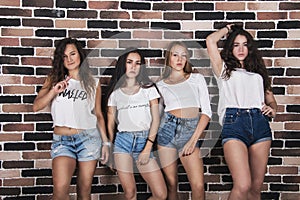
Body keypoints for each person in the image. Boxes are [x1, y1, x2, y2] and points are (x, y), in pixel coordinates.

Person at [206, 24, 277, 200]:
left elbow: (271, 99)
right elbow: (210, 41)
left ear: (250, 48)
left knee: (255, 188)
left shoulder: (258, 73)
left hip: (260, 123)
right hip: (234, 122)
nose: (241, 49)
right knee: (243, 185)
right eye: (236, 44)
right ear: (230, 48)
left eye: (245, 44)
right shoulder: (224, 70)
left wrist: (273, 109)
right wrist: (228, 29)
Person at [33, 38, 110, 200]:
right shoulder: (53, 79)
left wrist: (106, 143)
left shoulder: (92, 83)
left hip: (88, 139)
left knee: (84, 191)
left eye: (73, 54)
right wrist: (54, 91)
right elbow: (36, 106)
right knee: (60, 192)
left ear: (80, 55)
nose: (69, 59)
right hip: (62, 141)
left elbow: (98, 115)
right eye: (64, 56)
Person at [106, 48, 167, 200]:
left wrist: (147, 148)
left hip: (144, 141)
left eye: (138, 63)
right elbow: (110, 124)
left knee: (161, 195)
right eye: (129, 62)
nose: (133, 66)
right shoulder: (115, 93)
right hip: (122, 143)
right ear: (123, 65)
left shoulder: (148, 89)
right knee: (130, 193)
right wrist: (111, 149)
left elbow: (156, 120)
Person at [156, 41, 212, 200]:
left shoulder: (197, 78)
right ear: (169, 58)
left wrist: (193, 140)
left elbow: (206, 112)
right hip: (166, 130)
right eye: (175, 55)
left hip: (189, 132)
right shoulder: (160, 84)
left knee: (198, 186)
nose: (179, 59)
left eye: (183, 55)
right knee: (172, 185)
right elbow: (157, 113)